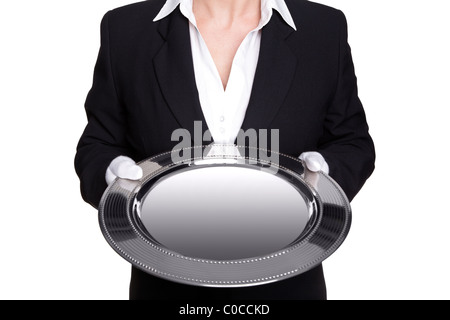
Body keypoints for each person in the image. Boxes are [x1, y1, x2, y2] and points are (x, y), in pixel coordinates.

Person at [75, 0, 375, 300]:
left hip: (288, 289)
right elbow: (98, 144)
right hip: (165, 290)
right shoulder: (127, 29)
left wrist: (325, 175)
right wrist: (111, 175)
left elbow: (352, 142)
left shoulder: (322, 27)